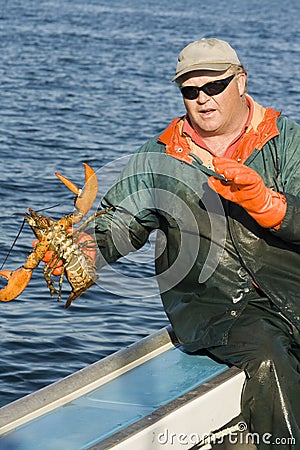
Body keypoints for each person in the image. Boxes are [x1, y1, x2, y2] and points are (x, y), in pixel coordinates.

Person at [60, 38, 300, 448]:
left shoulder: (286, 138)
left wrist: (269, 204)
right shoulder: (157, 157)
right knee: (268, 356)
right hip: (216, 308)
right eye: (190, 91)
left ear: (240, 82)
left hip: (291, 290)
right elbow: (121, 224)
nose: (203, 99)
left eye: (215, 86)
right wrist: (86, 249)